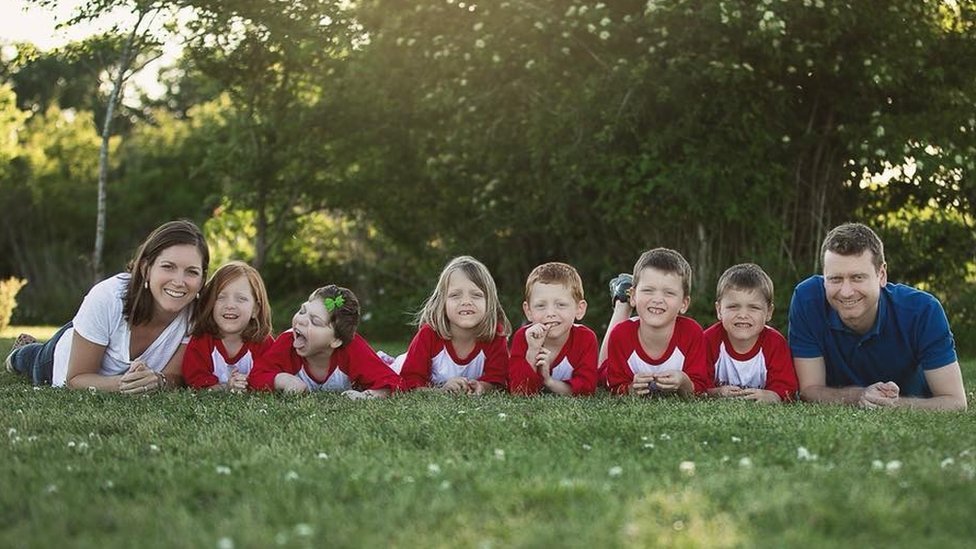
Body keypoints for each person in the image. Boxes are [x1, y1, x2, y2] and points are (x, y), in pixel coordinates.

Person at [4, 220, 209, 393]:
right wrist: (126, 384)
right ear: (146, 268)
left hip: (99, 333)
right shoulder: (108, 296)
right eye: (168, 267)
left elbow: (174, 375)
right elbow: (76, 379)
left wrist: (158, 381)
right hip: (61, 356)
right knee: (32, 360)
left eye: (191, 272)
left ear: (202, 278)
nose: (179, 281)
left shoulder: (197, 314)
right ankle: (19, 353)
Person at [789, 222, 967, 411]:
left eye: (857, 277)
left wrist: (892, 405)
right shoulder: (807, 299)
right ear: (824, 277)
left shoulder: (923, 310)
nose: (846, 292)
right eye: (835, 279)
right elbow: (809, 390)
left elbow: (954, 401)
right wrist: (859, 396)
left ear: (881, 275)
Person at [248, 285, 402, 399]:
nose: (301, 320)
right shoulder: (287, 342)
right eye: (302, 311)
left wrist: (368, 396)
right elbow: (256, 376)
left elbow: (392, 383)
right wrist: (283, 380)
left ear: (335, 340)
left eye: (315, 321)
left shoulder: (352, 348)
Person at [601, 248, 709, 396]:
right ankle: (623, 302)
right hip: (626, 327)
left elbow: (701, 387)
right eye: (648, 290)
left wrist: (684, 381)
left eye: (669, 293)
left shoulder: (692, 333)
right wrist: (630, 388)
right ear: (634, 296)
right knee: (599, 373)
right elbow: (613, 385)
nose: (658, 299)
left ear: (684, 304)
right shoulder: (621, 335)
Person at [397, 256, 511, 394]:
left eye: (476, 295)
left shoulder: (496, 335)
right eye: (455, 295)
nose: (466, 301)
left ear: (490, 302)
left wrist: (482, 387)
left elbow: (499, 381)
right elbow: (408, 383)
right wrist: (442, 390)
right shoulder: (429, 334)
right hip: (401, 365)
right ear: (442, 302)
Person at [703, 263, 797, 402]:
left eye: (753, 307)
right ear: (719, 310)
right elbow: (697, 383)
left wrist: (773, 396)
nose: (743, 315)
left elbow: (787, 387)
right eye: (733, 306)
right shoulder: (708, 340)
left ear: (769, 312)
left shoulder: (775, 344)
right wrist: (715, 392)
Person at [508, 262, 598, 396]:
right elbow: (519, 391)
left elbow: (587, 389)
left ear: (579, 309)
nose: (550, 313)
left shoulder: (586, 339)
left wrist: (549, 382)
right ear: (528, 311)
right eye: (540, 306)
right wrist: (532, 352)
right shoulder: (524, 337)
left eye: (561, 305)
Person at [181, 261, 274, 391]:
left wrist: (247, 384)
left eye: (241, 298)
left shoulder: (264, 343)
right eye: (221, 297)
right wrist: (226, 387)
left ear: (255, 310)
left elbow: (271, 377)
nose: (230, 305)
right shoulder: (201, 341)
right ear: (211, 304)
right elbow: (195, 381)